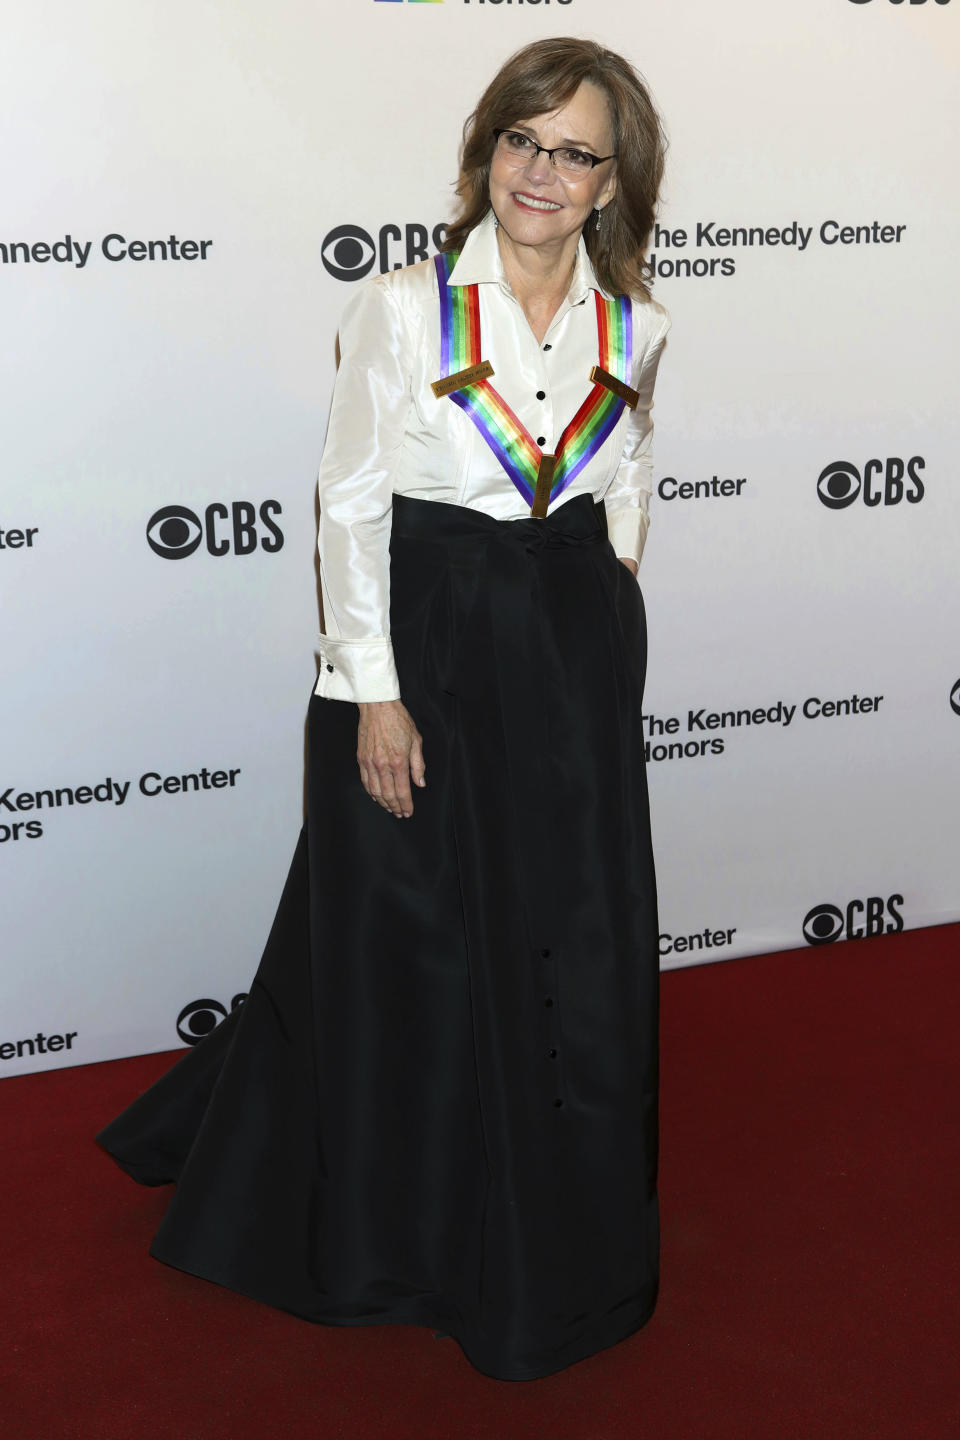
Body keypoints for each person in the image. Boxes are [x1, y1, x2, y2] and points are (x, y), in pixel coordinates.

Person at [98, 36, 670, 1383]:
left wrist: (599, 594)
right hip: (422, 640)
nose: (543, 170)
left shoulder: (637, 324)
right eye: (523, 140)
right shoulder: (405, 309)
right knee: (406, 933)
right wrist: (374, 694)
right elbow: (351, 504)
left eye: (574, 150)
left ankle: (558, 1200)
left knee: (567, 929)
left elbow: (631, 468)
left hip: (567, 651)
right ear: (487, 156)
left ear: (608, 183)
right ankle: (398, 1223)